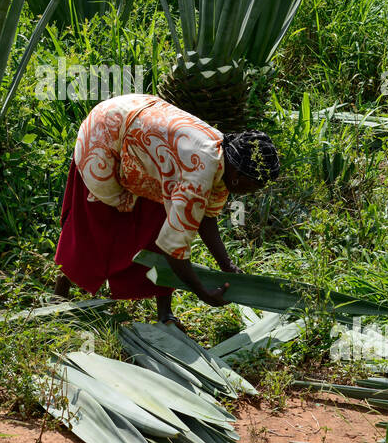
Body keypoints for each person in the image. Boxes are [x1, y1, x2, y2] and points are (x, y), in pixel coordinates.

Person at [53, 93, 281, 330]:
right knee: (91, 223)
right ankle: (59, 297)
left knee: (156, 220)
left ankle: (165, 314)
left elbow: (207, 218)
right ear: (238, 177)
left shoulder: (227, 158)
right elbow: (174, 250)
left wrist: (226, 265)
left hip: (138, 132)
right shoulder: (198, 174)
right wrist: (202, 292)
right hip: (106, 133)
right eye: (256, 185)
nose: (256, 191)